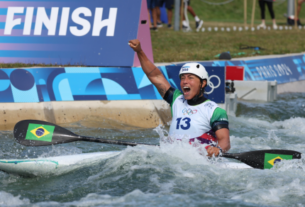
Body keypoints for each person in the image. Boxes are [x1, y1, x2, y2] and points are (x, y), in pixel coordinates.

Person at [128, 39, 230, 157]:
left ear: (203, 84)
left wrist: (217, 149)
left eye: (190, 78)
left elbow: (225, 141)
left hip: (201, 162)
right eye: (183, 78)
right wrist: (139, 51)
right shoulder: (176, 99)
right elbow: (155, 75)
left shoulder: (215, 111)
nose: (185, 82)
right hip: (174, 160)